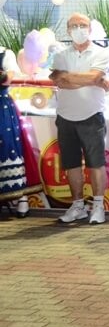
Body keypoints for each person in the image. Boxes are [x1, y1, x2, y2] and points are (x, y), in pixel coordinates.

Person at [50, 13, 109, 225]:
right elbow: (59, 81)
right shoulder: (60, 55)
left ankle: (98, 205)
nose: (78, 29)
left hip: (92, 116)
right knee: (71, 164)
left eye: (82, 25)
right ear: (67, 31)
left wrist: (76, 77)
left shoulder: (101, 53)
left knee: (96, 163)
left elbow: (94, 76)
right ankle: (77, 206)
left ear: (90, 29)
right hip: (65, 116)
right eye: (73, 26)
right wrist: (90, 80)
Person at [0, 45, 42, 217]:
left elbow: (7, 79)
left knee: (10, 147)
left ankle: (22, 198)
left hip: (2, 108)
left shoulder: (5, 53)